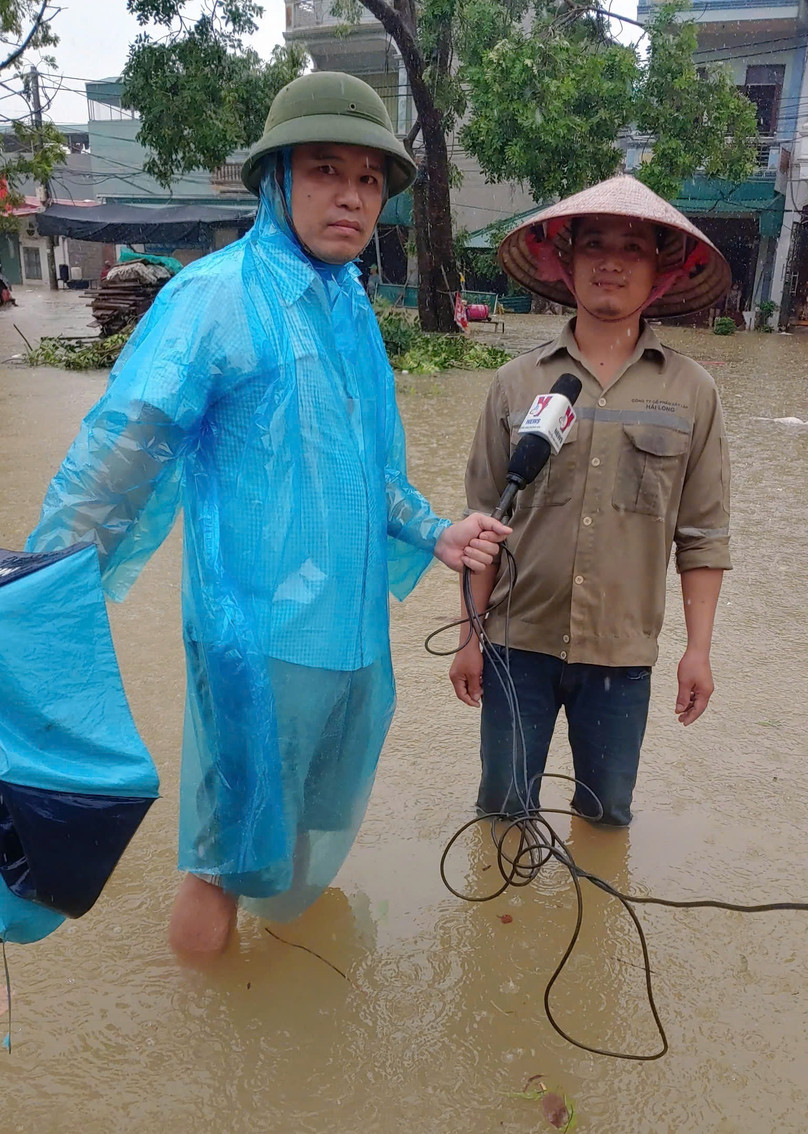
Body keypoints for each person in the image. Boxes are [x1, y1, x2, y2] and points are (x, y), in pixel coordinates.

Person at [25, 71, 509, 958]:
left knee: (297, 834)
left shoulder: (351, 306)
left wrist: (434, 531)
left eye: (369, 179)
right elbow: (120, 458)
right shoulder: (213, 298)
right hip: (254, 638)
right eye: (327, 170)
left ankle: (265, 1010)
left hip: (348, 638)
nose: (351, 197)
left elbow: (373, 472)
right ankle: (213, 1060)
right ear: (277, 179)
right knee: (222, 852)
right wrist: (41, 588)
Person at [449, 175, 732, 827]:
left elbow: (704, 535)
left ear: (660, 271)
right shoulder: (515, 383)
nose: (611, 261)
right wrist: (469, 638)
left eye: (633, 248)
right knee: (502, 814)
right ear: (564, 260)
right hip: (516, 642)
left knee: (606, 819)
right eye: (594, 244)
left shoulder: (692, 392)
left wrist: (699, 649)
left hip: (622, 654)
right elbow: (482, 526)